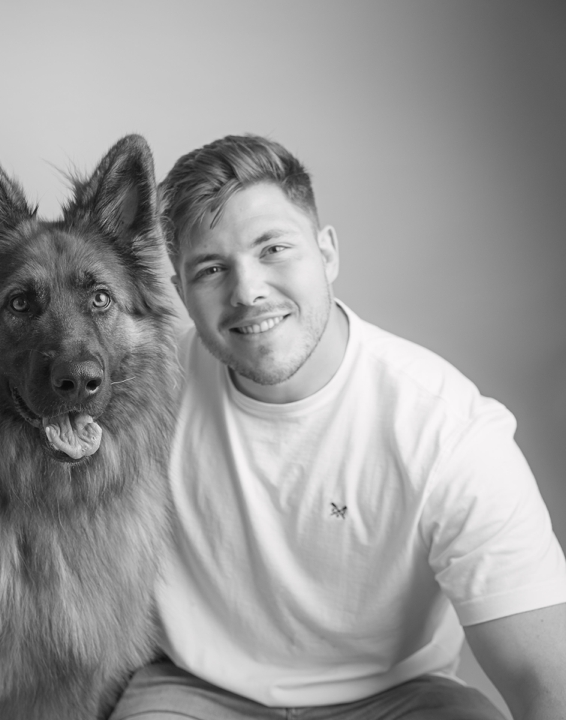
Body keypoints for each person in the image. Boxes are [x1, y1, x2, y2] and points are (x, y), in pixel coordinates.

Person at [110, 135, 566, 719]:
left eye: (273, 249)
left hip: (395, 700)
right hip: (195, 694)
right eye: (210, 268)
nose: (247, 291)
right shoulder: (145, 393)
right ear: (180, 293)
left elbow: (544, 678)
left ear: (326, 253)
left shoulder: (446, 430)